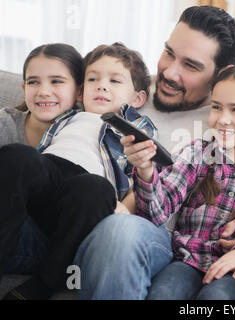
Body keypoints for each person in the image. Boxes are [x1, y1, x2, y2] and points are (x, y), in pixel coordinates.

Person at [74, 5, 235, 300]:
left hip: (156, 238)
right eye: (168, 52)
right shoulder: (127, 86)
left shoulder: (228, 124)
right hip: (80, 214)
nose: (168, 72)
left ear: (222, 74)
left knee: (121, 231)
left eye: (190, 66)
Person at [123, 64, 235, 299]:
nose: (223, 120)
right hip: (187, 261)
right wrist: (145, 170)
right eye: (216, 107)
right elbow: (157, 214)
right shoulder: (196, 152)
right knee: (163, 295)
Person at [0, 42, 155, 300]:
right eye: (94, 79)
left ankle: (46, 282)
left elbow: (143, 178)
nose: (102, 85)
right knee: (19, 155)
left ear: (137, 99)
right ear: (81, 92)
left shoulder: (135, 130)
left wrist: (125, 207)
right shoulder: (70, 113)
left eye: (114, 81)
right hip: (47, 174)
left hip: (82, 194)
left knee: (96, 188)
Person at [0, 43, 83, 149]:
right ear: (24, 89)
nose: (43, 92)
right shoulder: (5, 124)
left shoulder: (86, 132)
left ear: (79, 91)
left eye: (56, 81)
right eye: (33, 82)